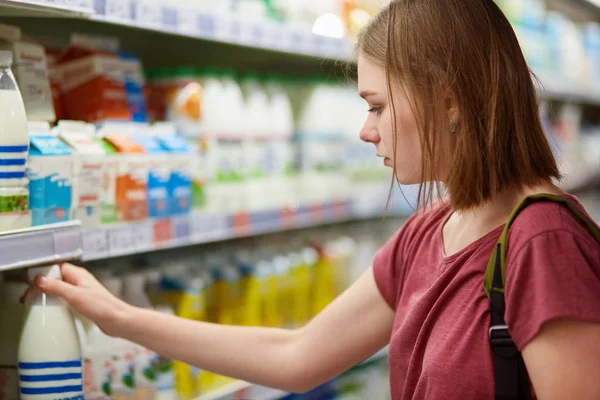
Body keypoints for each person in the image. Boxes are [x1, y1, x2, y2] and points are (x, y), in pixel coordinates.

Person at [34, 1, 600, 399]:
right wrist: (121, 319)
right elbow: (298, 355)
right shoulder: (430, 230)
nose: (365, 129)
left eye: (377, 106)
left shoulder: (542, 244)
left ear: (448, 99)